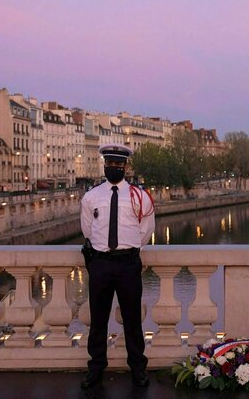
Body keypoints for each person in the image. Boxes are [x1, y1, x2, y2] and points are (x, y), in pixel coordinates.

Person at [80, 143, 155, 389]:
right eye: (110, 164)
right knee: (98, 319)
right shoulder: (91, 196)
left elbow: (146, 230)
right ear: (104, 165)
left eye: (118, 165)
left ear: (125, 167)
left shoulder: (139, 195)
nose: (114, 168)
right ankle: (96, 366)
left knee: (133, 319)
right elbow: (87, 230)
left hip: (127, 264)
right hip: (101, 263)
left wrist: (128, 247)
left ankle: (137, 367)